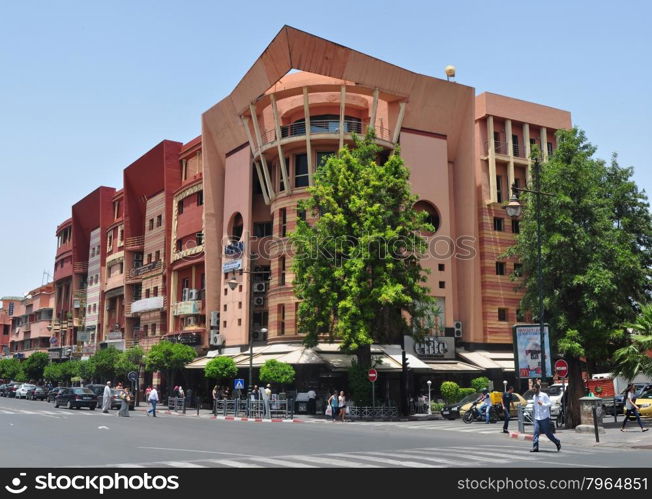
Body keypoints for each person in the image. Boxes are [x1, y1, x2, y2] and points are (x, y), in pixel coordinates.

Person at [531, 384, 561, 452]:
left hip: (544, 417)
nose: (534, 391)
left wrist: (543, 404)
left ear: (538, 389)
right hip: (537, 417)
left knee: (548, 433)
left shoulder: (544, 395)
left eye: (534, 389)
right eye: (533, 389)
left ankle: (557, 442)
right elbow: (535, 407)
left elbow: (550, 404)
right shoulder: (534, 397)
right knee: (536, 432)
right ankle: (535, 447)